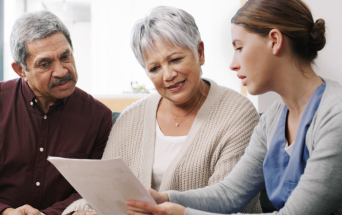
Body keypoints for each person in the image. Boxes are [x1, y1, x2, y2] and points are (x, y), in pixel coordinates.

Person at [125, 0, 342, 215]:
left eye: (239, 47)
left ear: (275, 41)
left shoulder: (336, 116)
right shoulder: (273, 119)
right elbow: (230, 194)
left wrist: (182, 213)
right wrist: (167, 198)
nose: (233, 63)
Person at [63, 6, 261, 215]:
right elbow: (103, 193)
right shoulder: (131, 118)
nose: (167, 75)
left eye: (175, 60)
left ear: (200, 53)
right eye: (154, 68)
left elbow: (230, 203)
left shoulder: (238, 114)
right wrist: (80, 212)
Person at [0, 11, 112, 215]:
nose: (61, 71)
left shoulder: (99, 118)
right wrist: (4, 212)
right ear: (21, 70)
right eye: (45, 64)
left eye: (65, 56)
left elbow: (92, 190)